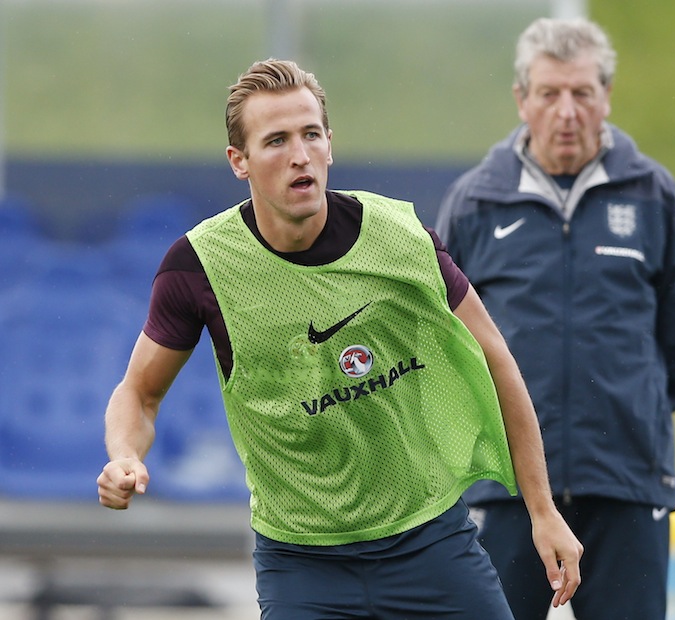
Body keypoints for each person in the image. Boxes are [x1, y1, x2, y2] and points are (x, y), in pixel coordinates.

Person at [96, 59, 582, 619]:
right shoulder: (197, 268)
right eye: (276, 140)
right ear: (240, 162)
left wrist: (542, 510)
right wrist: (124, 456)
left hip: (430, 542)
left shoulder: (399, 236)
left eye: (310, 134)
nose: (299, 154)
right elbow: (140, 393)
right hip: (302, 564)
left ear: (330, 145)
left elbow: (496, 359)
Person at [435, 17, 675, 620]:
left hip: (624, 482)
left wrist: (630, 414)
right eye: (550, 93)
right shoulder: (475, 202)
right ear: (521, 99)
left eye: (582, 93)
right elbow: (440, 341)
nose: (567, 111)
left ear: (605, 97)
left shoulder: (652, 196)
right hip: (504, 489)